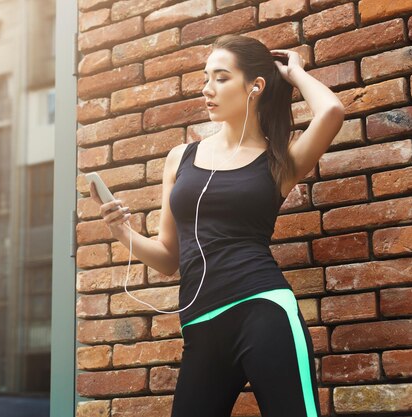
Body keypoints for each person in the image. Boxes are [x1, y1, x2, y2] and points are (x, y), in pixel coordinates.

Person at [89, 34, 345, 416]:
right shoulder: (181, 158)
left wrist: (295, 74)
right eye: (205, 78)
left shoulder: (278, 162)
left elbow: (331, 112)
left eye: (221, 78)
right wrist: (121, 231)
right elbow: (167, 258)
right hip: (201, 325)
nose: (207, 89)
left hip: (263, 310)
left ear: (254, 86)